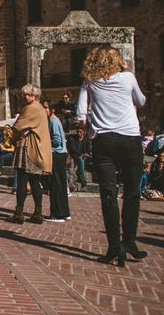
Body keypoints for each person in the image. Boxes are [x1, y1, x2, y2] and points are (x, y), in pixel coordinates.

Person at [76, 47, 146, 267]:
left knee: (108, 194)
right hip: (130, 139)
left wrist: (90, 123)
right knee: (132, 192)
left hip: (103, 141)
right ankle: (130, 242)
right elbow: (141, 101)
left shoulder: (89, 81)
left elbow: (80, 113)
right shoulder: (127, 78)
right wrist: (127, 71)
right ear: (117, 61)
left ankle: (114, 247)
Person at [7, 84, 52, 225]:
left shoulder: (31, 108)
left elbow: (18, 127)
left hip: (28, 148)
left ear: (33, 96)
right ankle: (38, 213)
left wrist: (9, 135)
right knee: (34, 181)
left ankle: (19, 213)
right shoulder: (41, 109)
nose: (23, 97)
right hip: (37, 149)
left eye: (26, 94)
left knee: (22, 180)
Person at [44, 102, 70, 222]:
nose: (44, 110)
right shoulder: (56, 120)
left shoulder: (53, 121)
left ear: (52, 109)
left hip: (57, 154)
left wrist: (44, 141)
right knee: (61, 184)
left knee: (56, 184)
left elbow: (57, 140)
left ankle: (57, 214)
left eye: (45, 108)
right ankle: (64, 212)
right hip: (61, 154)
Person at [66, 124, 91, 189]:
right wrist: (81, 154)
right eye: (77, 131)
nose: (78, 133)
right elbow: (73, 149)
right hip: (75, 156)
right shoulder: (72, 138)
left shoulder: (86, 138)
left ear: (84, 132)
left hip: (84, 156)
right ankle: (83, 180)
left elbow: (88, 149)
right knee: (80, 160)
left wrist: (87, 153)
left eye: (80, 131)